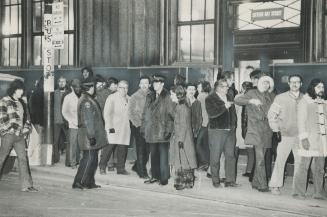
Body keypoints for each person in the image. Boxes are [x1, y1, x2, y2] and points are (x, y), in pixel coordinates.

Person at [235, 75, 275, 192]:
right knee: (261, 158)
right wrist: (250, 100)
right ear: (259, 83)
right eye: (263, 83)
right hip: (256, 129)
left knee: (260, 158)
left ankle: (256, 182)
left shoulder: (271, 96)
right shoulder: (252, 92)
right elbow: (237, 100)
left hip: (268, 130)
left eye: (268, 83)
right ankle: (262, 185)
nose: (266, 85)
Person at [267, 74, 303, 195]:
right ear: (288, 84)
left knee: (300, 163)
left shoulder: (305, 98)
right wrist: (276, 130)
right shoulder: (280, 98)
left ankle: (297, 189)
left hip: (300, 136)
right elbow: (271, 115)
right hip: (285, 135)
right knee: (280, 161)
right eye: (292, 82)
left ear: (301, 84)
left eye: (297, 82)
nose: (294, 84)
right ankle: (275, 185)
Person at [0, 79, 38, 192]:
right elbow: (2, 118)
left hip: (20, 136)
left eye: (22, 89)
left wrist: (26, 129)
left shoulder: (22, 103)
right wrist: (9, 130)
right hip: (9, 135)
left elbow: (26, 118)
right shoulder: (4, 101)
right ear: (14, 89)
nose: (21, 91)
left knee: (23, 159)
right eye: (19, 89)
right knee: (2, 158)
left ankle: (26, 185)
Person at [293, 78, 327, 200]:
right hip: (309, 140)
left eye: (322, 87)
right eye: (318, 87)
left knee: (320, 168)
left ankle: (318, 193)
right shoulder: (304, 101)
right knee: (304, 167)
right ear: (312, 88)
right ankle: (298, 192)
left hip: (322, 142)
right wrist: (304, 138)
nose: (321, 89)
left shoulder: (324, 102)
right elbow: (301, 121)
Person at [72, 79, 107, 189]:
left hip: (90, 135)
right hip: (89, 136)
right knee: (88, 159)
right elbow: (88, 120)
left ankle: (89, 182)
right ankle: (79, 182)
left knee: (93, 159)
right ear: (91, 88)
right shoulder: (86, 101)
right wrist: (91, 136)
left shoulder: (87, 98)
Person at [142, 74, 175, 186]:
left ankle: (164, 178)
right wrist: (143, 128)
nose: (155, 85)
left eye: (157, 83)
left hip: (162, 131)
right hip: (151, 131)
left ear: (162, 84)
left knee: (163, 156)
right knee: (154, 155)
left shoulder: (167, 96)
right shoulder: (150, 96)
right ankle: (155, 176)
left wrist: (169, 131)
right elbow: (145, 113)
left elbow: (171, 115)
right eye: (154, 83)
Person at [205, 79, 238, 188]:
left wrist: (233, 125)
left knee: (230, 156)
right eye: (224, 86)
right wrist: (224, 107)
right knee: (215, 157)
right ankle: (215, 180)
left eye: (227, 87)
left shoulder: (229, 97)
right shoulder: (210, 98)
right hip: (217, 131)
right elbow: (212, 114)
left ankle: (230, 180)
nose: (227, 88)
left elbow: (233, 114)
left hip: (230, 131)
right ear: (218, 87)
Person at [100, 80, 131, 175]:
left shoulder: (129, 98)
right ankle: (102, 167)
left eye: (126, 88)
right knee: (108, 149)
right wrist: (109, 127)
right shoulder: (112, 97)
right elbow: (106, 113)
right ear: (118, 88)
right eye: (122, 87)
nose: (124, 90)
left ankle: (120, 169)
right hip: (113, 127)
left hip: (124, 128)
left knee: (122, 149)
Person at [170, 86, 197, 190]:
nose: (170, 96)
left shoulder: (182, 107)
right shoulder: (180, 106)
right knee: (183, 160)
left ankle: (184, 183)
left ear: (177, 95)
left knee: (183, 161)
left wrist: (180, 140)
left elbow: (184, 125)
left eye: (172, 94)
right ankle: (185, 182)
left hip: (183, 139)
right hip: (182, 137)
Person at [129, 76, 151, 178]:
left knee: (148, 149)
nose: (144, 85)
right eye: (142, 83)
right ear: (139, 85)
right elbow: (131, 113)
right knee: (141, 148)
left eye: (146, 83)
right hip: (138, 126)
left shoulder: (153, 95)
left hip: (150, 127)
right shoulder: (134, 97)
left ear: (149, 85)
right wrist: (138, 125)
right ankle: (142, 172)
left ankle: (137, 166)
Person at [62, 79, 82, 168]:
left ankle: (79, 162)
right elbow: (64, 112)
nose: (78, 88)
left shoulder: (83, 96)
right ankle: (73, 163)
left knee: (80, 145)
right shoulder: (68, 97)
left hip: (82, 125)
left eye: (79, 86)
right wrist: (71, 121)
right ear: (72, 88)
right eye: (76, 87)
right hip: (73, 125)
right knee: (73, 145)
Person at [53, 76, 69, 163]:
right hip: (57, 120)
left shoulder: (69, 93)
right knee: (55, 141)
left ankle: (69, 160)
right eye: (60, 81)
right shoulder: (54, 93)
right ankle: (55, 158)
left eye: (63, 81)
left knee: (70, 140)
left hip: (67, 121)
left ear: (66, 83)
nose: (62, 83)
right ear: (58, 83)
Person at [196, 81, 211, 170]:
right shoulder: (208, 95)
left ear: (203, 88)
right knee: (205, 145)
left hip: (203, 124)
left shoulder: (200, 96)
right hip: (208, 123)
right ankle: (207, 163)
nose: (197, 88)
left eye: (198, 87)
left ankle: (204, 162)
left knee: (198, 145)